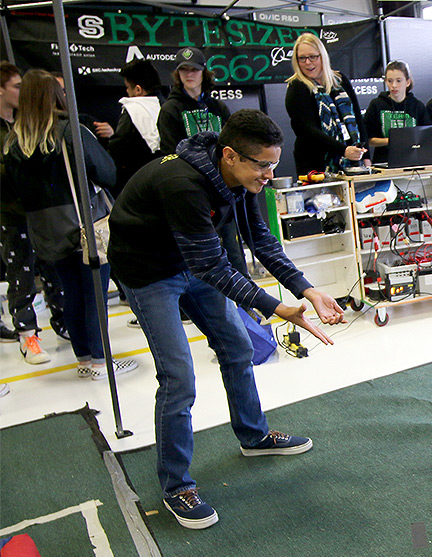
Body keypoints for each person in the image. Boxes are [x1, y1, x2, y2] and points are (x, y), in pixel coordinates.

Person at [108, 108, 345, 530]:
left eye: (274, 164)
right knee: (179, 376)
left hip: (192, 262)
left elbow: (262, 242)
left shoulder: (241, 178)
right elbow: (214, 268)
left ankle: (253, 437)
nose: (270, 175)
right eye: (263, 165)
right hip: (148, 273)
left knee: (237, 347)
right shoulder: (182, 184)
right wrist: (278, 308)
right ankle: (176, 486)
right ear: (231, 155)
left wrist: (307, 290)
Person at [3, 69, 137, 379]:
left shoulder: (14, 142)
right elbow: (107, 173)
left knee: (71, 295)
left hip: (44, 230)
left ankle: (85, 360)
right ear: (56, 96)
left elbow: (12, 192)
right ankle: (102, 361)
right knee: (94, 295)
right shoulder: (69, 132)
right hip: (82, 225)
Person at [1, 61, 69, 364]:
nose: (22, 91)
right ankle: (28, 335)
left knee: (53, 270)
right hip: (11, 215)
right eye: (16, 86)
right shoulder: (13, 134)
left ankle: (64, 322)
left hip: (40, 214)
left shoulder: (26, 124)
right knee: (21, 276)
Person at [158, 48, 246, 279]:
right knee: (199, 250)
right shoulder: (170, 109)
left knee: (233, 246)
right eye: (183, 69)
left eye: (194, 69)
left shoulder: (218, 107)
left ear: (203, 72)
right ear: (177, 74)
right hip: (192, 191)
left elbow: (235, 143)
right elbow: (170, 152)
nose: (189, 74)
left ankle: (247, 303)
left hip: (224, 188)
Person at [284, 32, 368, 174]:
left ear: (322, 56)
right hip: (315, 164)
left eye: (312, 57)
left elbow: (358, 119)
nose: (308, 63)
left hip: (352, 161)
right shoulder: (296, 87)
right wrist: (343, 150)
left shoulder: (340, 80)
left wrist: (365, 156)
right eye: (302, 58)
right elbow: (308, 131)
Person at [108, 59, 163, 197]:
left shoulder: (133, 109)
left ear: (138, 90)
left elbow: (118, 146)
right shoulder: (169, 105)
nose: (126, 91)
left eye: (127, 87)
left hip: (139, 180)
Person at [363, 60, 430, 165]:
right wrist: (391, 141)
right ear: (385, 82)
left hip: (413, 162)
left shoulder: (417, 106)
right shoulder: (376, 105)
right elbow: (368, 139)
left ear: (407, 82)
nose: (394, 85)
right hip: (384, 163)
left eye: (398, 81)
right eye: (390, 81)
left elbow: (427, 137)